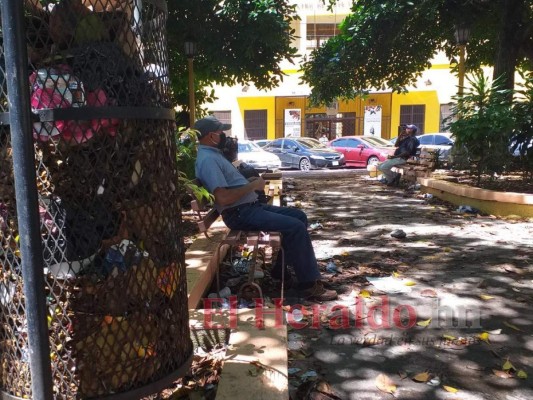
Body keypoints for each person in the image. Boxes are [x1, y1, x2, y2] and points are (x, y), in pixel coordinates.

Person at [194, 116, 337, 301]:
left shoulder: (213, 155)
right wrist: (251, 187)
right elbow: (223, 197)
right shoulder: (208, 160)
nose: (224, 135)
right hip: (240, 213)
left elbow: (229, 188)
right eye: (221, 132)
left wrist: (249, 182)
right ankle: (308, 285)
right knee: (296, 227)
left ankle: (281, 271)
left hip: (248, 208)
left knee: (299, 216)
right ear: (210, 136)